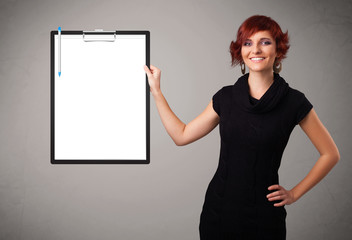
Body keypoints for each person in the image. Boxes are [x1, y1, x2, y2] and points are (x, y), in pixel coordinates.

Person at [143, 15, 340, 240]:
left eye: (264, 42)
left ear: (278, 50)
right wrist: (157, 92)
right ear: (241, 51)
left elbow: (330, 154)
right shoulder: (225, 97)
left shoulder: (294, 102)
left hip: (265, 218)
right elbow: (182, 135)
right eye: (248, 43)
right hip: (219, 211)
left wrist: (294, 193)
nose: (255, 49)